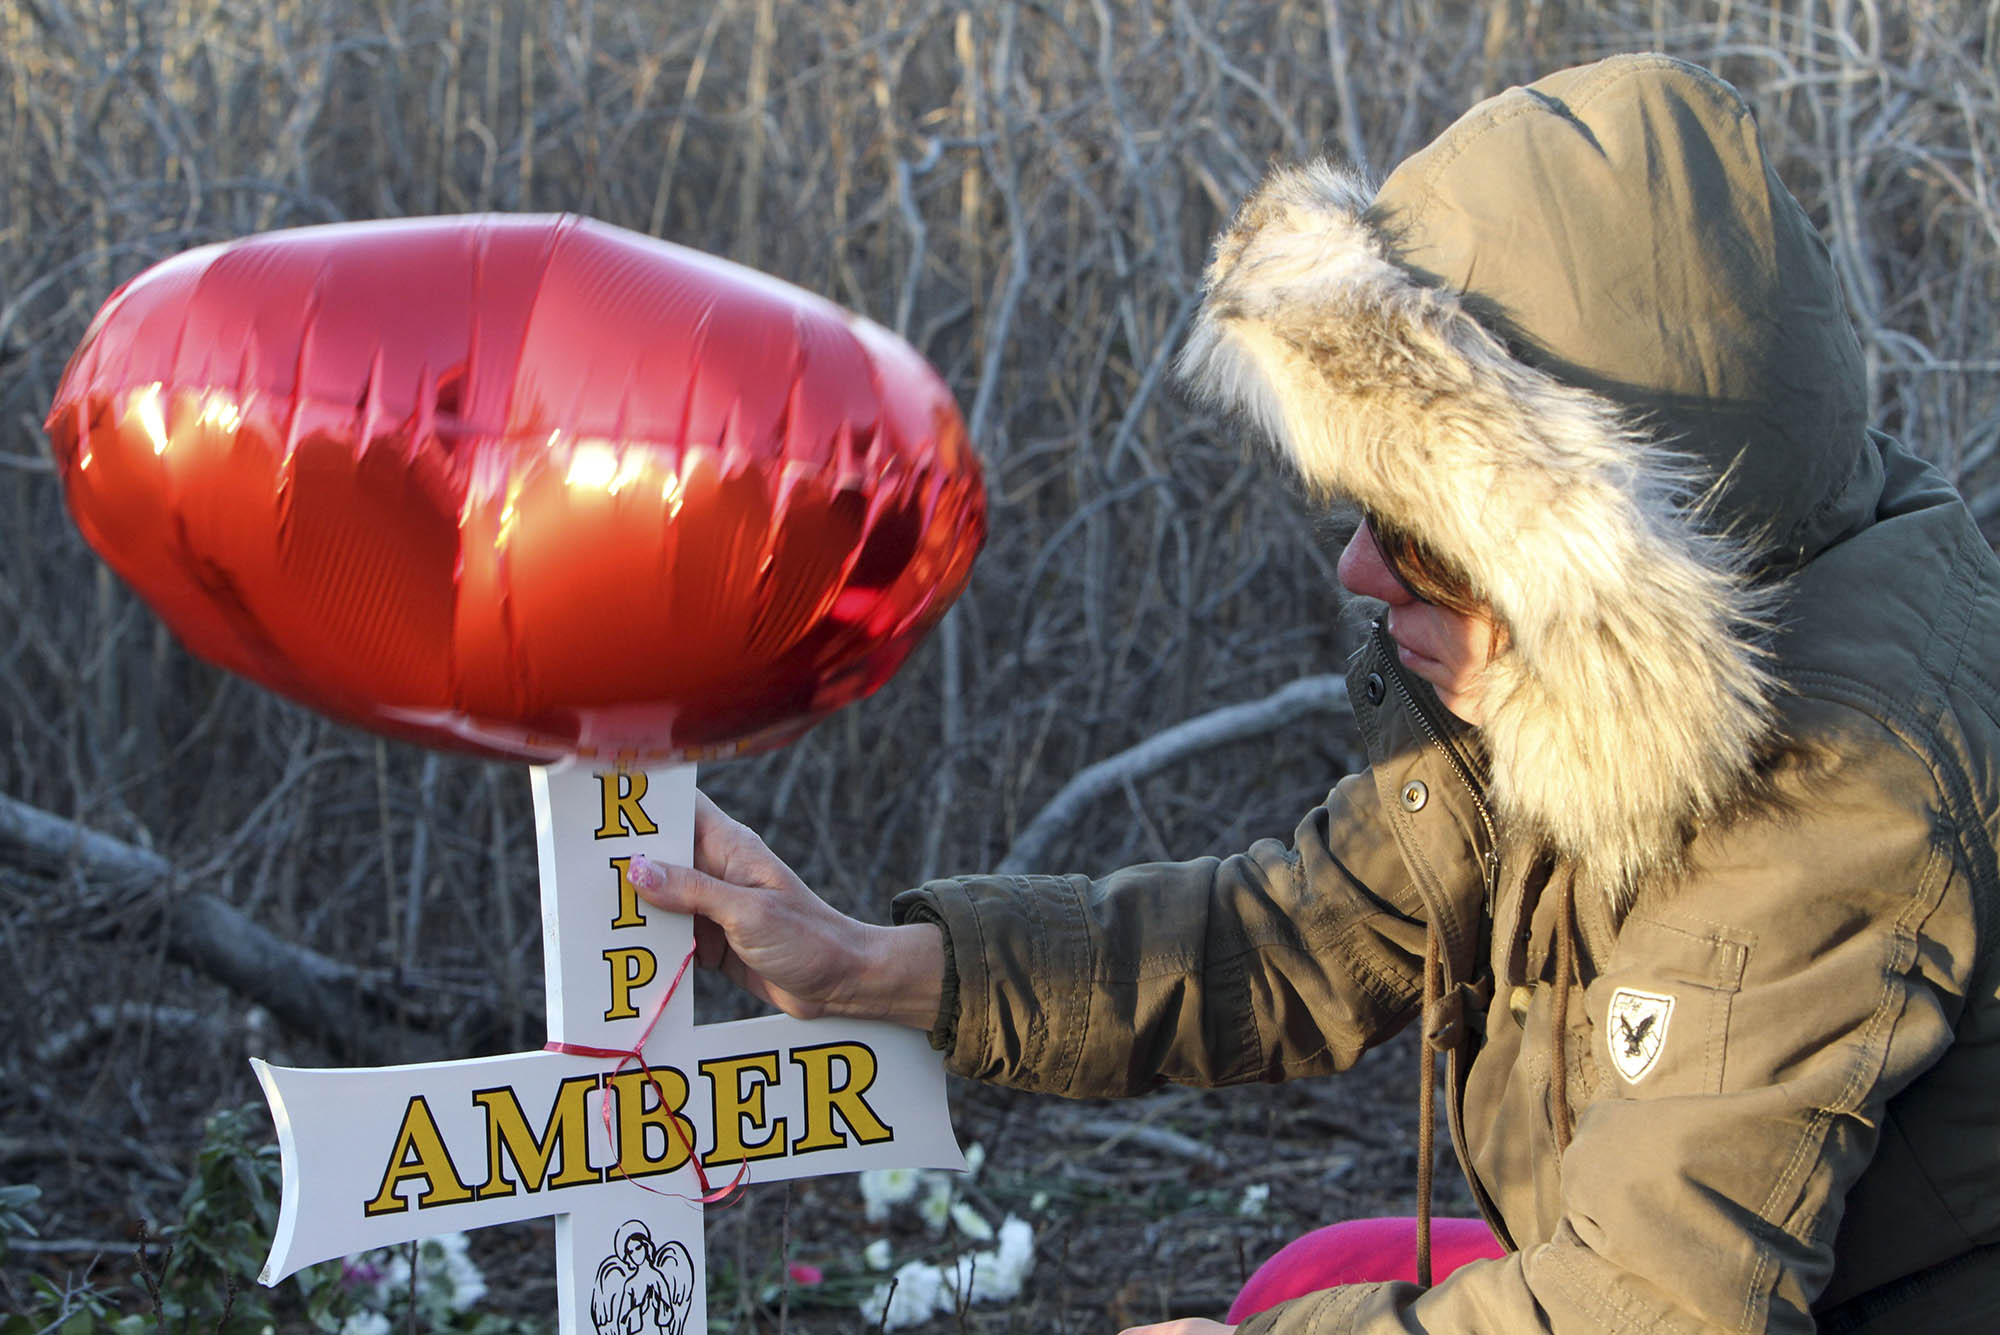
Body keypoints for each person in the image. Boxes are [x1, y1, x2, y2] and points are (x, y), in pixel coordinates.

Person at [629, 55, 2000, 1333]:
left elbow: (1652, 1307)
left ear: (1597, 554)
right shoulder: (1572, 673)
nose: (1358, 568)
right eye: (1363, 510)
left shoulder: (1841, 790)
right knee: (1311, 1276)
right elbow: (1293, 939)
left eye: (1415, 530)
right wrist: (878, 964)